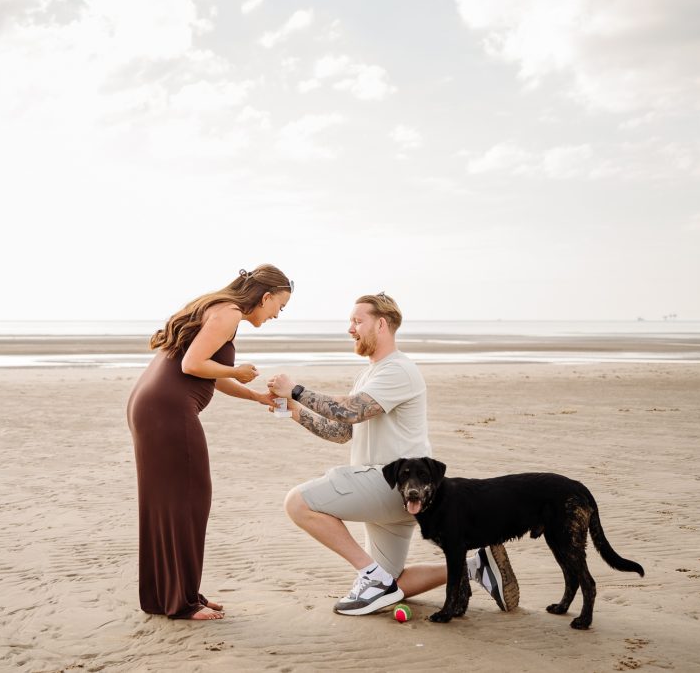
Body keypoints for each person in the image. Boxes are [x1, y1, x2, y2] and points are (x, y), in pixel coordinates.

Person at [267, 293, 519, 616]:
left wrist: (297, 390)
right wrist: (292, 411)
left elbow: (349, 411)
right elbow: (343, 431)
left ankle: (371, 576)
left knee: (296, 503)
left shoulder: (399, 370)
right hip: (392, 494)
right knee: (394, 581)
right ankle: (475, 566)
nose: (350, 329)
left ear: (382, 325)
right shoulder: (369, 374)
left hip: (391, 484)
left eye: (358, 322)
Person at [127, 264, 292, 620]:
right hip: (168, 411)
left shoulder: (218, 309)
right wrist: (236, 369)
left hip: (151, 405)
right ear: (264, 297)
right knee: (189, 503)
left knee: (168, 505)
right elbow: (193, 364)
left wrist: (255, 396)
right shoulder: (229, 313)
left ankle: (173, 595)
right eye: (279, 305)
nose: (278, 314)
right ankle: (183, 602)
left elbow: (206, 371)